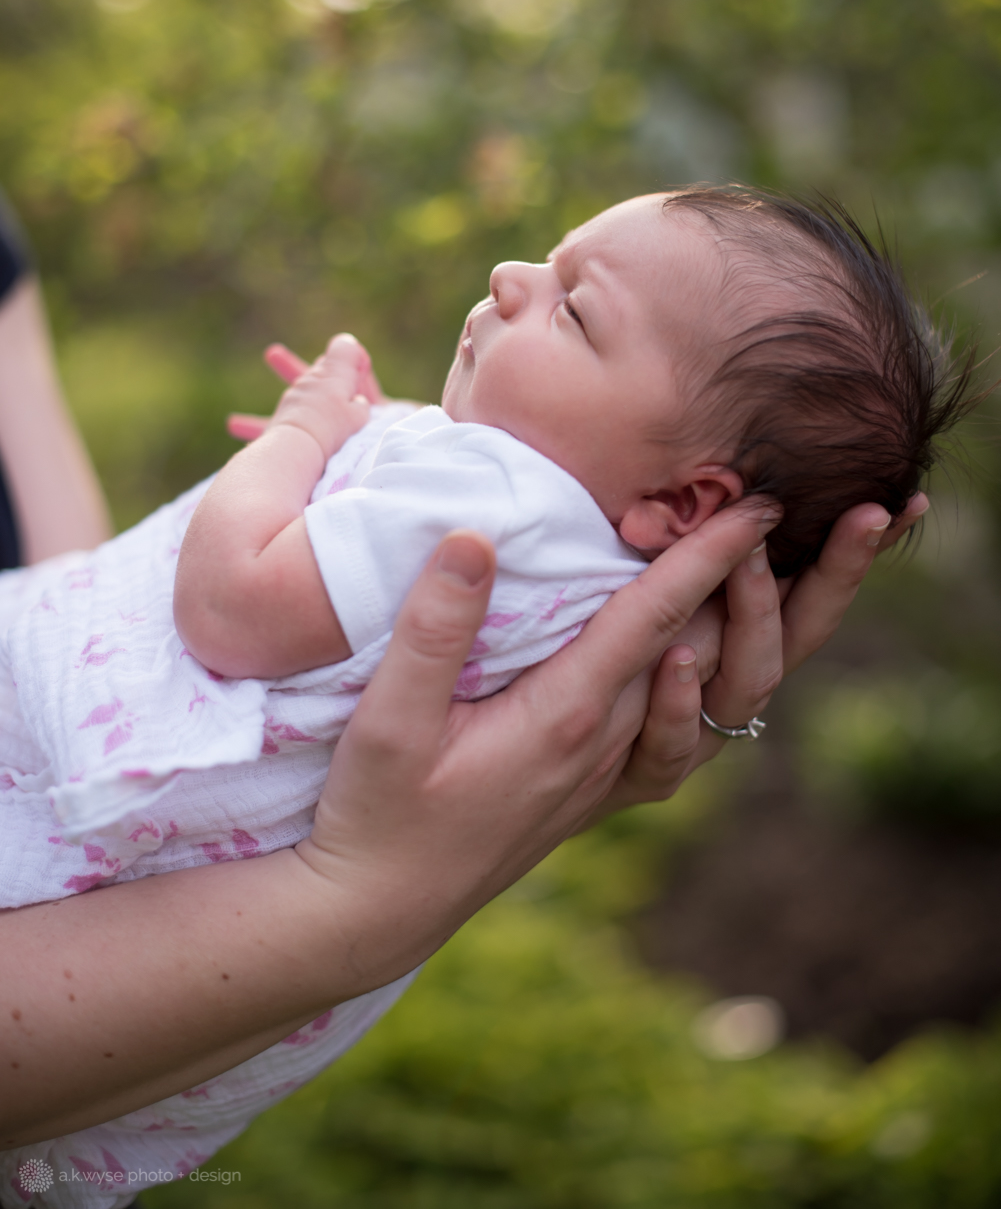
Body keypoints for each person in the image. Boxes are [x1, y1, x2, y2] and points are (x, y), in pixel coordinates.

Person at [0, 187, 954, 1200]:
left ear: (683, 503)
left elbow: (229, 610)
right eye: (550, 261)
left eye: (575, 311)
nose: (510, 276)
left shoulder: (489, 501)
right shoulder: (602, 589)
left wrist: (300, 433)